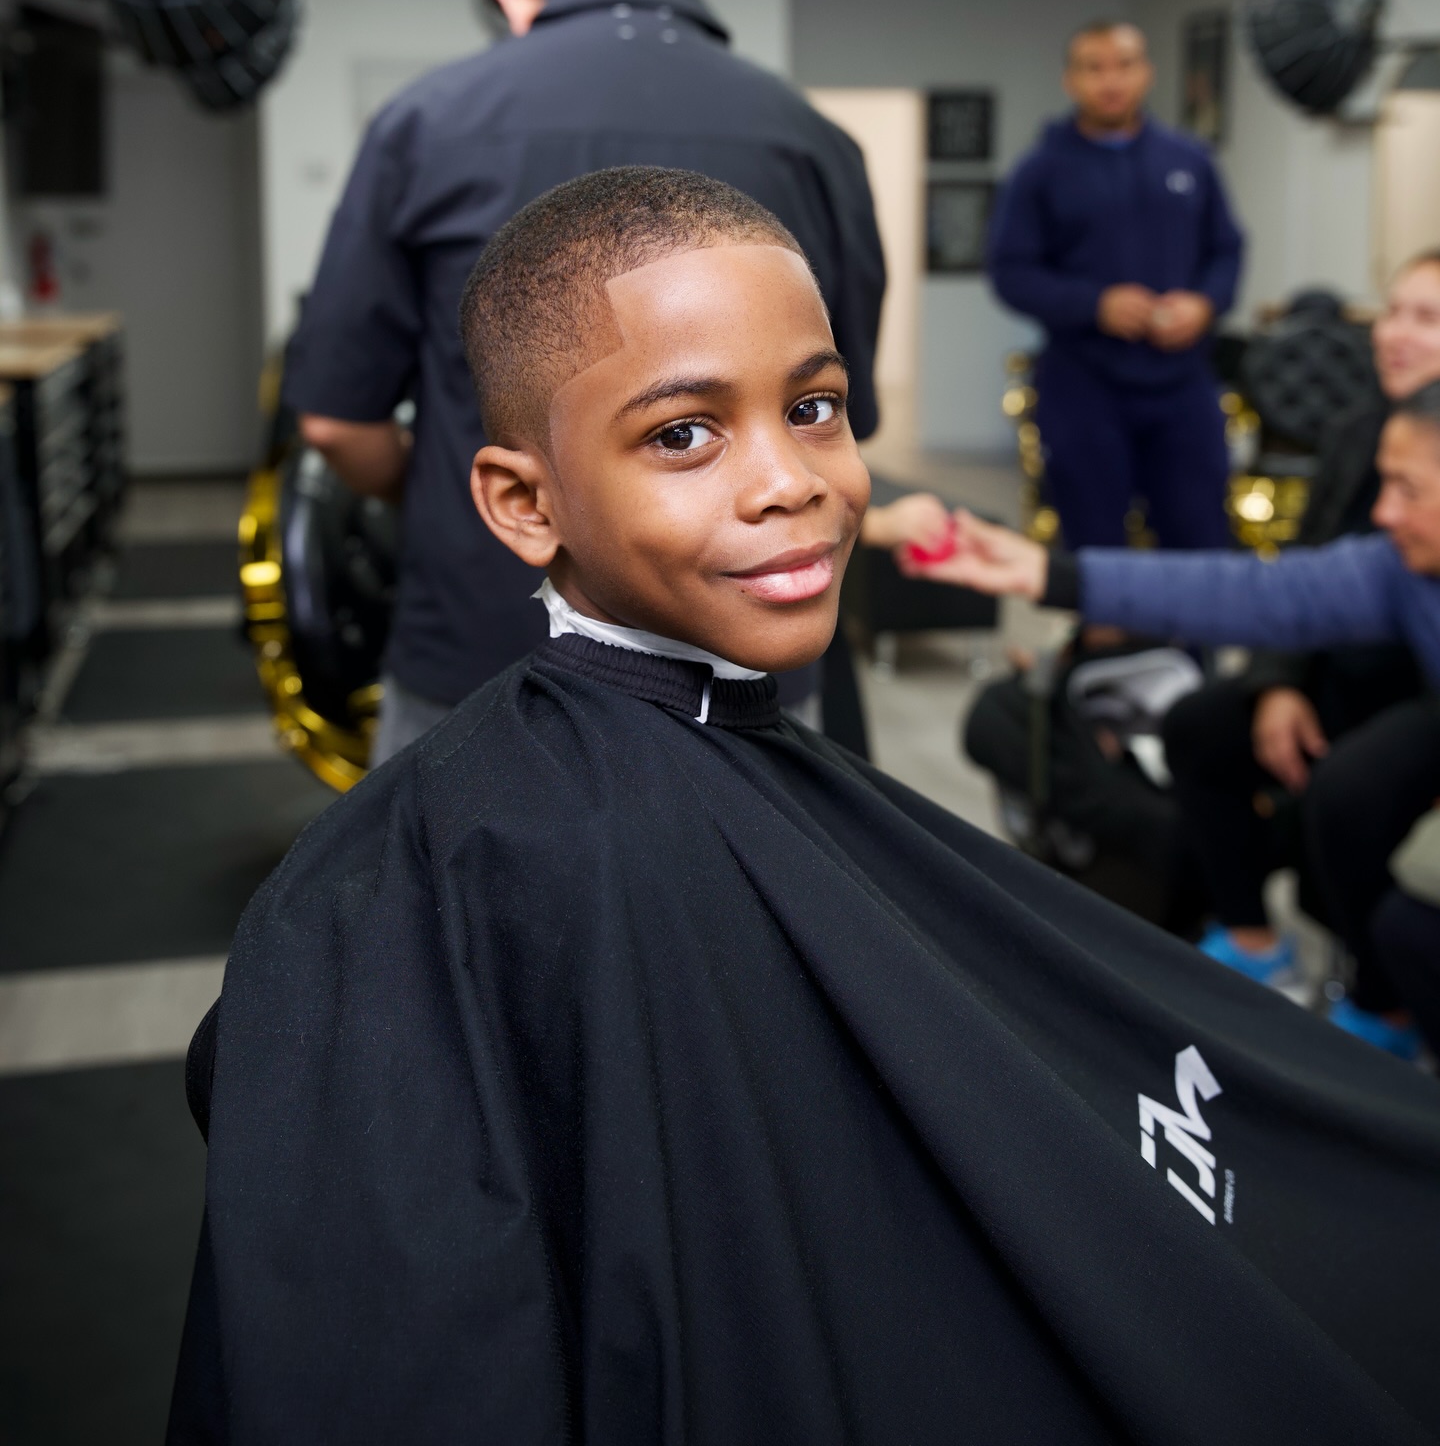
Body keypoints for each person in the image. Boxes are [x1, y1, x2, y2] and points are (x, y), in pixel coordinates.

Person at [170, 169, 1440, 1446]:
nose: (793, 482)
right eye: (684, 433)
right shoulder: (413, 894)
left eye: (816, 407)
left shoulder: (756, 776)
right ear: (525, 501)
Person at [288, 0, 884, 761]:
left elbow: (335, 421)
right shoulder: (812, 138)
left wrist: (455, 497)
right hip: (743, 649)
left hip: (484, 642)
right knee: (744, 901)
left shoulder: (423, 124)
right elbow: (840, 413)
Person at [903, 379, 1440, 1060]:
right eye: (1385, 484)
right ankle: (1270, 955)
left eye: (1410, 490)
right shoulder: (1401, 569)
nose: (1385, 510)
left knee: (1408, 922)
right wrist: (1048, 574)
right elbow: (1256, 593)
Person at [1163, 253, 1440, 1009]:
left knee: (1349, 791)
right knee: (1200, 725)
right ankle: (1257, 943)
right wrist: (1278, 684)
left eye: (1426, 318)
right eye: (1393, 312)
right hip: (1336, 666)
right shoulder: (1357, 430)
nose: (1394, 335)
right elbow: (1301, 575)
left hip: (1418, 691)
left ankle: (1380, 1000)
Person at [989, 21, 1244, 549]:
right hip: (1084, 383)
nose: (1111, 80)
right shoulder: (1041, 170)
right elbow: (1011, 272)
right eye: (1094, 67)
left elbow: (1227, 249)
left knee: (1199, 533)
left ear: (1146, 74)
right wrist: (1095, 304)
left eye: (1124, 65)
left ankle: (1191, 636)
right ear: (1071, 80)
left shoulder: (1189, 160)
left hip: (1182, 381)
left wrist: (1203, 303)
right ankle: (1104, 634)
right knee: (1094, 541)